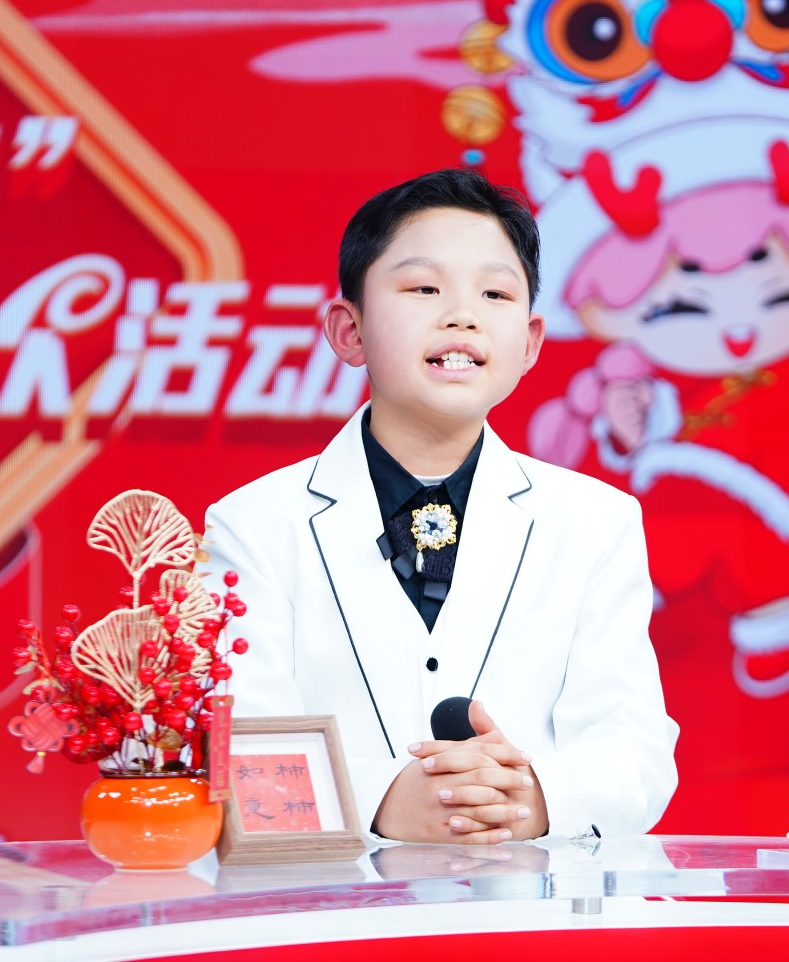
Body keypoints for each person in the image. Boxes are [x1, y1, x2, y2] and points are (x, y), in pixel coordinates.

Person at [203, 168, 678, 844]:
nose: (462, 315)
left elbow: (633, 746)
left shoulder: (596, 522)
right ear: (349, 330)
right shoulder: (253, 525)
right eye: (424, 289)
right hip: (333, 901)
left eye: (495, 293)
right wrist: (383, 801)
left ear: (530, 343)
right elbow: (237, 741)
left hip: (531, 898)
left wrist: (531, 797)